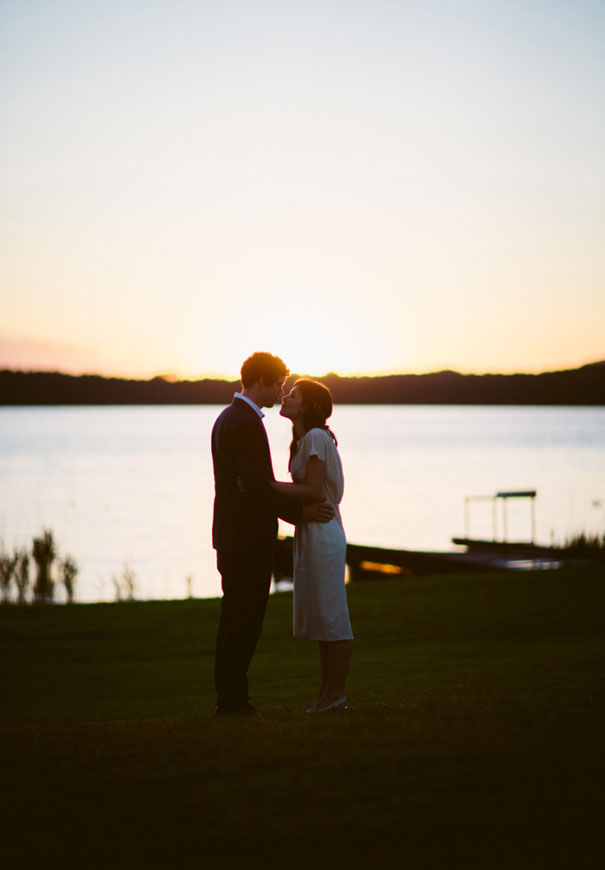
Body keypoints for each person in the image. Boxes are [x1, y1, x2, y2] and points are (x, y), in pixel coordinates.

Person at [211, 353, 334, 717]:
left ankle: (228, 697)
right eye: (279, 383)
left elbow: (249, 485)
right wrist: (301, 514)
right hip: (247, 538)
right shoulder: (247, 423)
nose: (281, 390)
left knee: (232, 616)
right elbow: (257, 487)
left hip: (230, 533)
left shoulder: (227, 417)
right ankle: (233, 701)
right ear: (261, 380)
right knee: (245, 619)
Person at [272, 378, 353, 713]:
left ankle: (336, 694)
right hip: (311, 532)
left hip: (323, 533)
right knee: (322, 620)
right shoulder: (303, 440)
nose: (285, 397)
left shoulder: (317, 437)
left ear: (308, 406)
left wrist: (266, 486)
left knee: (334, 618)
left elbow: (314, 491)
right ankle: (325, 694)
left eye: (293, 395)